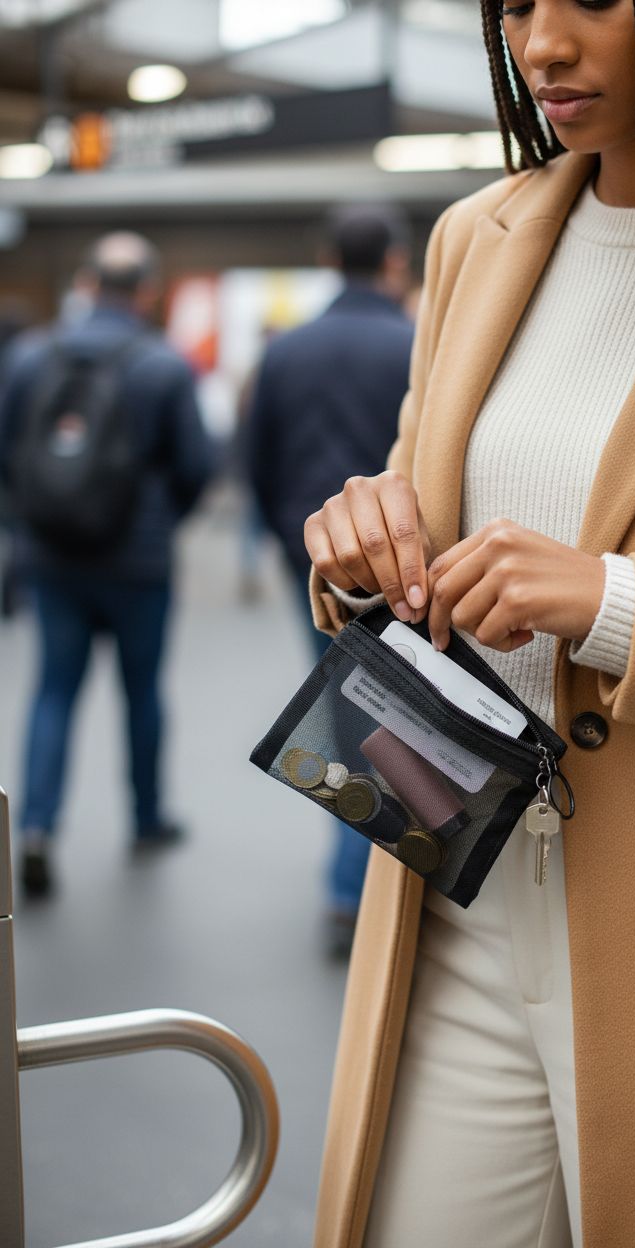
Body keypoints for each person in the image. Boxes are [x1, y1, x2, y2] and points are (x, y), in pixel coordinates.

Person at [301, 2, 635, 1245]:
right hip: (457, 885)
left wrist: (620, 604)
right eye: (515, 6)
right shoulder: (476, 239)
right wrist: (359, 550)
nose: (539, 46)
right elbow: (412, 510)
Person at [0, 232, 213, 898]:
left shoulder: (30, 356)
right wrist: (160, 522)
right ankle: (147, 818)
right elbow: (197, 467)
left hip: (53, 556)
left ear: (88, 285)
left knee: (53, 690)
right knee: (141, 691)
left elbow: (7, 450)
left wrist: (29, 524)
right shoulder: (162, 364)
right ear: (147, 292)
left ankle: (36, 828)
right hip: (138, 562)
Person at [248, 205, 414, 953]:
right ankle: (357, 889)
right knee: (389, 715)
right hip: (400, 565)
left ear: (325, 259)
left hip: (311, 562)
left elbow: (254, 457)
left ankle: (353, 886)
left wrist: (285, 540)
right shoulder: (414, 344)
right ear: (395, 264)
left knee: (348, 708)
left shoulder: (287, 351)